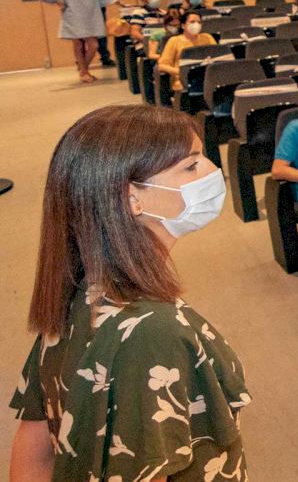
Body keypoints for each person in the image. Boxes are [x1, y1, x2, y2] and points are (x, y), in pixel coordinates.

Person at [9, 105, 250, 480]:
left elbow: (35, 448)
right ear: (131, 198)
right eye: (190, 166)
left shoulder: (80, 289)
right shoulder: (154, 332)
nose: (211, 171)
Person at [35, 0, 120, 84]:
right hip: (74, 16)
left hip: (91, 15)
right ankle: (84, 72)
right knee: (78, 44)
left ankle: (83, 70)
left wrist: (121, 4)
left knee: (94, 45)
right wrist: (58, 2)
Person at [156, 11, 216, 92]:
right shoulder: (174, 41)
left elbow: (217, 55)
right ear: (183, 25)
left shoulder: (207, 37)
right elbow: (162, 66)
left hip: (206, 77)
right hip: (183, 80)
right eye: (192, 22)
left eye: (199, 22)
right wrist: (181, 72)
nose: (196, 25)